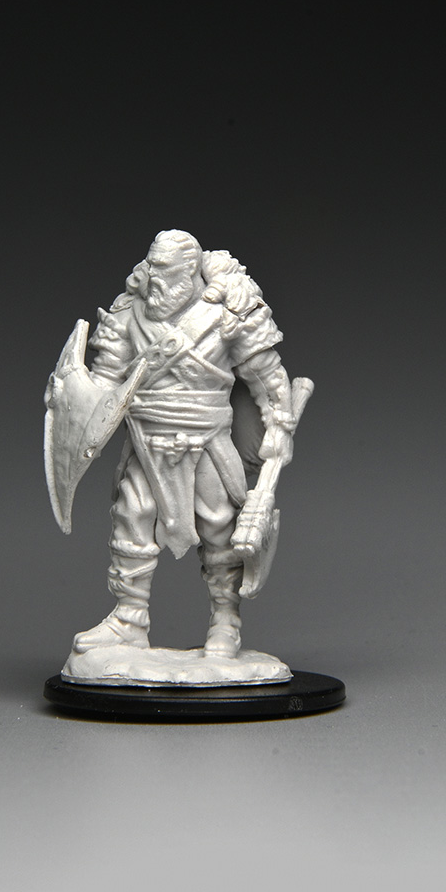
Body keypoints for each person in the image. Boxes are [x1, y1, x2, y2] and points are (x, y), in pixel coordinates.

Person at [71, 229, 298, 659]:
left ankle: (226, 622)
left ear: (190, 272)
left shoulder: (228, 312)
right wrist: (75, 399)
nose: (156, 281)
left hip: (207, 442)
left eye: (166, 271)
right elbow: (105, 379)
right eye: (152, 269)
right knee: (132, 518)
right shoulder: (130, 312)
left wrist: (279, 420)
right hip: (146, 440)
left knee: (220, 531)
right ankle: (128, 621)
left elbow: (266, 375)